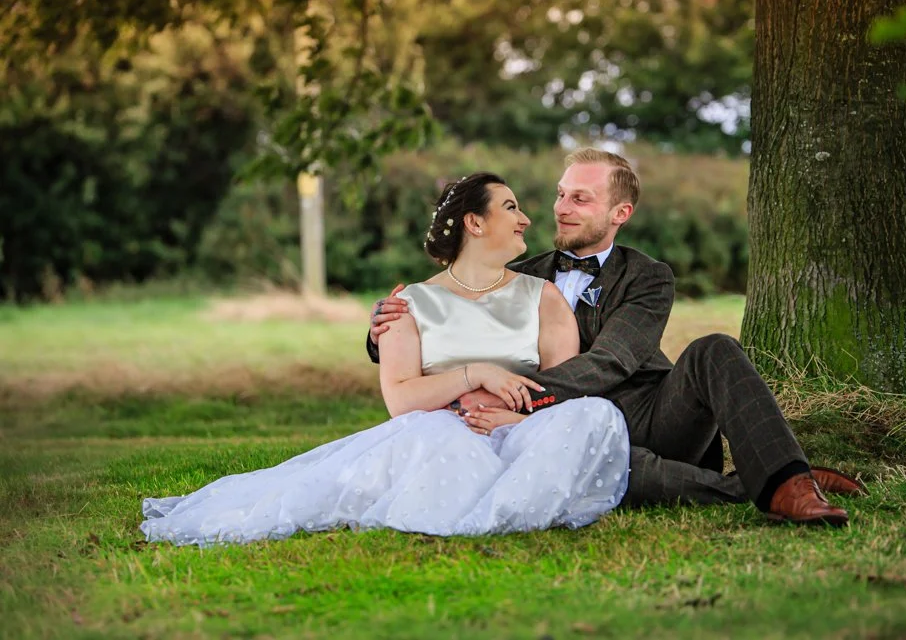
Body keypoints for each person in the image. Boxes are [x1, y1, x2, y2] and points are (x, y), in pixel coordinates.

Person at [368, 149, 866, 526]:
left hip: (648, 414)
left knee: (715, 348)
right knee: (614, 469)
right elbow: (457, 312)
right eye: (561, 194)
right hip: (559, 429)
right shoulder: (522, 274)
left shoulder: (649, 276)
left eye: (580, 199)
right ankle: (775, 477)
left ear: (619, 214)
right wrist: (383, 331)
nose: (562, 208)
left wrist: (521, 401)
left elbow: (612, 359)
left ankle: (789, 484)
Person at [140, 173, 631, 546]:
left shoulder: (543, 297)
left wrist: (514, 414)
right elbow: (400, 400)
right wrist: (474, 374)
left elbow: (564, 385)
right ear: (475, 222)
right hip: (444, 431)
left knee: (594, 415)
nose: (527, 219)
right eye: (511, 207)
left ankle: (508, 497)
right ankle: (490, 508)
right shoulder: (409, 304)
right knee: (443, 436)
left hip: (523, 428)